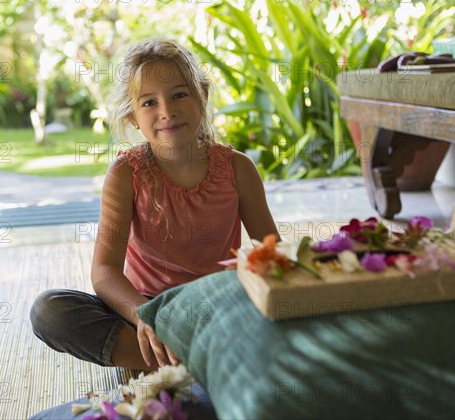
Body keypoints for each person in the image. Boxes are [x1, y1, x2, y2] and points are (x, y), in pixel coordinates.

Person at [30, 38, 279, 371]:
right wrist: (144, 317)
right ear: (133, 116)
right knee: (50, 310)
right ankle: (191, 361)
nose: (166, 111)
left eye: (179, 94)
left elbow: (272, 253)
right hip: (147, 312)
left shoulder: (237, 168)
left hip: (218, 308)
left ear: (201, 96)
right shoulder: (125, 174)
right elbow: (104, 272)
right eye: (149, 102)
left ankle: (183, 362)